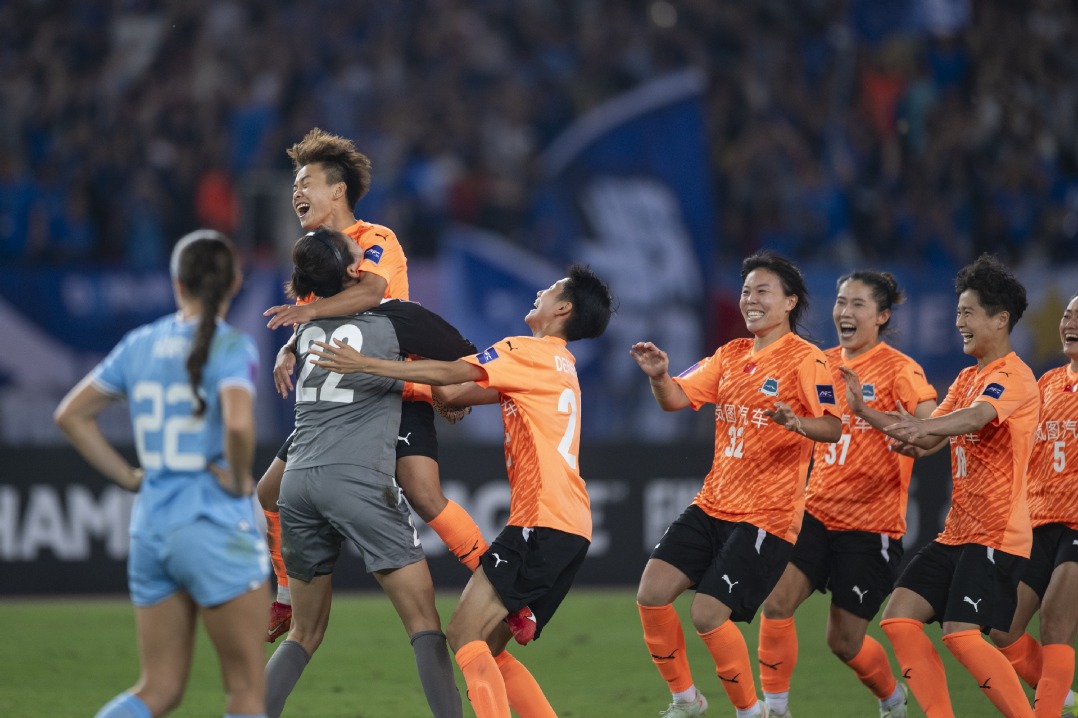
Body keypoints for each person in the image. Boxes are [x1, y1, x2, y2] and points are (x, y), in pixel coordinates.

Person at [308, 263, 614, 718]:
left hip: (540, 521)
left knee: (463, 635)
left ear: (563, 308)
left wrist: (366, 363)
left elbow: (453, 373)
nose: (539, 293)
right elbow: (452, 395)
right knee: (488, 648)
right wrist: (403, 378)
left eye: (549, 290)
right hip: (569, 525)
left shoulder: (526, 350)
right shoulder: (559, 366)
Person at [258, 127, 486, 642]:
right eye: (295, 184)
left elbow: (371, 296)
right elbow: (317, 322)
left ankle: (496, 580)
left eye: (306, 182)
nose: (297, 192)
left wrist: (308, 311)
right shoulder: (313, 253)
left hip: (392, 392)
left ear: (337, 190)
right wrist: (290, 345)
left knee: (424, 494)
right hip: (334, 406)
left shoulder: (376, 239)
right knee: (267, 492)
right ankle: (286, 596)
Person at [54, 230, 269, 718]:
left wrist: (129, 476)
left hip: (151, 525)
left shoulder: (139, 344)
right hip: (213, 523)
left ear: (177, 284)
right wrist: (238, 480)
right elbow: (237, 422)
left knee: (158, 689)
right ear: (234, 282)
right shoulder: (232, 346)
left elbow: (70, 415)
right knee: (244, 691)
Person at [264, 228, 473, 718]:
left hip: (298, 484)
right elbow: (470, 363)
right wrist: (441, 393)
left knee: (304, 633)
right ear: (353, 270)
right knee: (424, 622)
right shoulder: (398, 317)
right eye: (358, 253)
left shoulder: (306, 331)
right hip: (357, 481)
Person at [630, 251, 842, 718]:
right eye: (746, 290)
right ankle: (687, 700)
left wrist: (798, 422)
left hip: (766, 515)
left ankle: (752, 712)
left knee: (707, 613)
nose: (750, 299)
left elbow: (833, 427)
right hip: (713, 504)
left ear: (789, 302)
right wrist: (661, 376)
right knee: (651, 593)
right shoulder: (730, 355)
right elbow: (676, 400)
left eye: (762, 291)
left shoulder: (806, 360)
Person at [849, 254, 1038, 718]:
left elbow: (972, 418)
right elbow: (930, 433)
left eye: (968, 312)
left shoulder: (1014, 376)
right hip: (958, 533)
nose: (959, 322)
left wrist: (922, 431)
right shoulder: (968, 378)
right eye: (957, 312)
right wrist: (873, 416)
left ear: (1001, 319)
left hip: (997, 534)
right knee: (898, 618)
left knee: (960, 631)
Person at [756, 270, 937, 718]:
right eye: (840, 301)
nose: (845, 312)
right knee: (776, 602)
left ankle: (891, 696)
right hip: (814, 512)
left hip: (870, 526)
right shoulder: (820, 362)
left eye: (857, 304)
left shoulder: (901, 370)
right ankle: (774, 709)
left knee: (843, 641)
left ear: (882, 315)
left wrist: (864, 411)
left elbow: (933, 431)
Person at [987, 291, 1078, 718]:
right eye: (1066, 314)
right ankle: (1063, 698)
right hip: (1040, 521)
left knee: (1056, 624)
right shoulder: (1047, 384)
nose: (1069, 322)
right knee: (1002, 629)